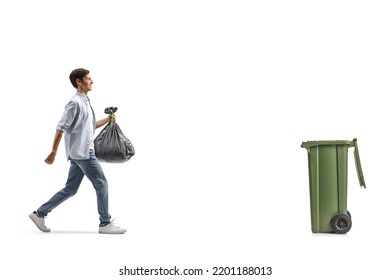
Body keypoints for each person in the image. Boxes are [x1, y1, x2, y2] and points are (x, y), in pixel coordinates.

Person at [29, 68, 126, 234]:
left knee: (70, 189)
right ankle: (105, 223)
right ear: (78, 82)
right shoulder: (74, 103)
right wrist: (53, 152)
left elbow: (89, 126)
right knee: (101, 183)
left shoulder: (85, 101)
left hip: (79, 153)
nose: (92, 81)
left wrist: (108, 120)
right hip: (83, 153)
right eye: (88, 78)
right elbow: (60, 128)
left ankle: (40, 213)